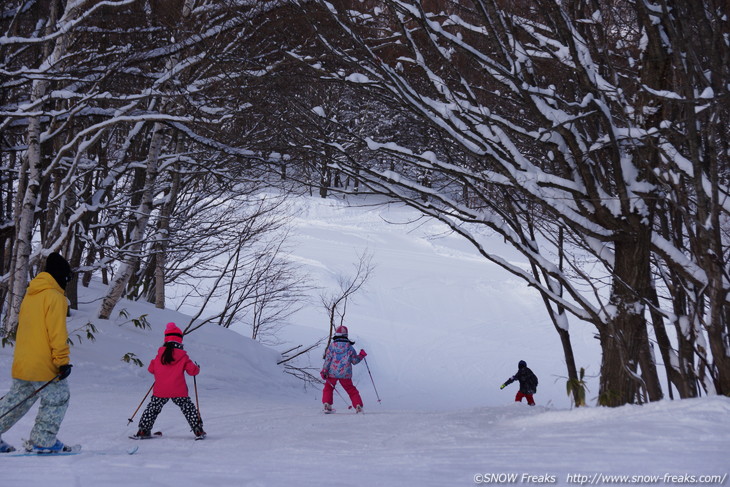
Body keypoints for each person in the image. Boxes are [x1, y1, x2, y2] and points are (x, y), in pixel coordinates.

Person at [0, 252, 74, 453]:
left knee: (17, 400)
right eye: (67, 279)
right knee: (58, 398)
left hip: (24, 360)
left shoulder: (31, 294)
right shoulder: (55, 297)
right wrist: (62, 361)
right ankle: (43, 440)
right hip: (44, 363)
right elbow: (56, 333)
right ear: (61, 276)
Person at [132, 322, 206, 439]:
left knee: (153, 408)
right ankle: (198, 430)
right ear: (179, 340)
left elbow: (151, 370)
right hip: (179, 390)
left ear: (166, 339)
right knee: (188, 408)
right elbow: (192, 372)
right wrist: (197, 368)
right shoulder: (183, 356)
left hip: (160, 390)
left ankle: (143, 430)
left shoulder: (159, 355)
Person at [320, 325, 367, 413]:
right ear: (346, 335)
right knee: (351, 390)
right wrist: (361, 355)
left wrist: (324, 370)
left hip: (332, 372)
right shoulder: (349, 347)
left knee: (328, 388)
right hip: (345, 373)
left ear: (336, 334)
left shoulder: (332, 346)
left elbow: (328, 359)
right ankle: (358, 406)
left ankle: (327, 405)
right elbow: (354, 361)